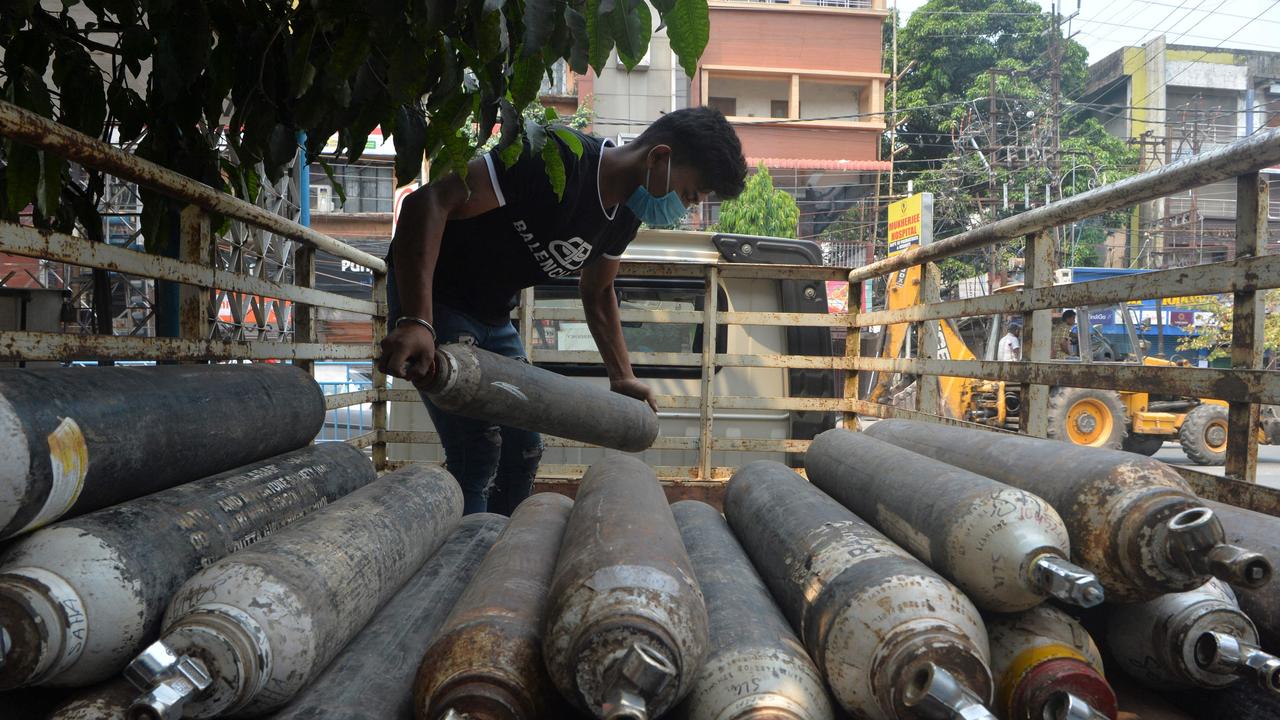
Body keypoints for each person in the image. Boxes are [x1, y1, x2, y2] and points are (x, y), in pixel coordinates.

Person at [377, 108, 748, 515]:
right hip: (437, 300)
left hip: (494, 315)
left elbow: (599, 289)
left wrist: (622, 376)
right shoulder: (554, 158)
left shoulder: (624, 216)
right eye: (688, 194)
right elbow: (428, 203)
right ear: (659, 158)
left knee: (524, 449)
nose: (686, 208)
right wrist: (417, 320)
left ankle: (500, 545)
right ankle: (470, 556)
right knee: (477, 452)